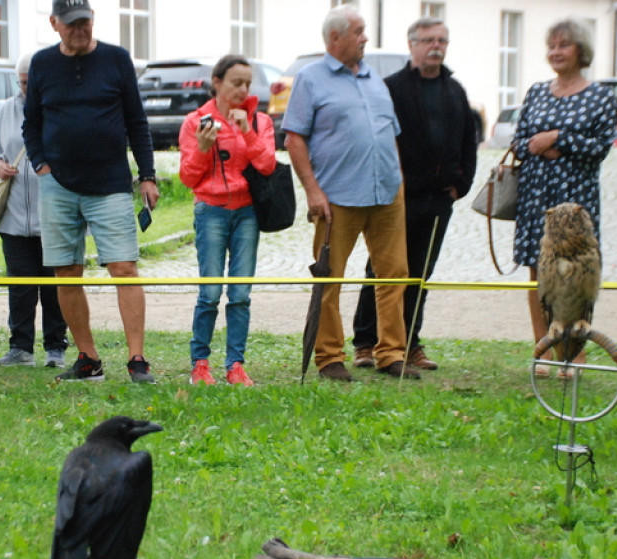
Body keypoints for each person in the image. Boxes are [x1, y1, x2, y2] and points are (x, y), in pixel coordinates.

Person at [23, 0, 160, 383]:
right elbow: (31, 123)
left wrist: (146, 175)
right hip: (58, 185)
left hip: (111, 183)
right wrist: (41, 165)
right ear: (54, 24)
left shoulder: (116, 59)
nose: (79, 30)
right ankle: (88, 359)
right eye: (71, 24)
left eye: (84, 22)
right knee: (66, 272)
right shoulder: (42, 64)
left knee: (124, 268)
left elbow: (137, 120)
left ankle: (137, 360)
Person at [282, 5, 416, 382]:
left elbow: (391, 136)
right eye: (358, 31)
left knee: (394, 277)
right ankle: (330, 358)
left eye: (364, 31)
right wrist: (312, 191)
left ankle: (391, 353)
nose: (365, 38)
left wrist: (398, 179)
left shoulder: (376, 79)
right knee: (329, 280)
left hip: (387, 194)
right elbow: (294, 140)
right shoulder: (310, 78)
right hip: (336, 198)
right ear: (335, 37)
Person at [350, 17, 477, 373]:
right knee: (381, 270)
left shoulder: (455, 90)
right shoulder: (390, 87)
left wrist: (460, 183)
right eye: (428, 40)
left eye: (441, 40)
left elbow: (470, 139)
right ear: (412, 44)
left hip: (439, 199)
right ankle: (365, 342)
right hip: (396, 196)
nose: (435, 46)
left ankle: (409, 343)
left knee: (419, 273)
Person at [513, 19, 616, 376]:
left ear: (580, 51)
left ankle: (573, 355)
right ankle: (542, 349)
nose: (555, 52)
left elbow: (601, 147)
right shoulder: (537, 91)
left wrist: (558, 138)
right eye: (552, 45)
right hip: (536, 197)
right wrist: (537, 145)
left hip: (576, 199)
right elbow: (519, 142)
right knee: (537, 274)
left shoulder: (600, 95)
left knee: (578, 277)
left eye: (564, 45)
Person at [178, 55, 276, 387]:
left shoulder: (260, 121)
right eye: (236, 82)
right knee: (209, 292)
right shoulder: (196, 121)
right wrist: (203, 149)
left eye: (248, 83)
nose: (243, 89)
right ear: (217, 82)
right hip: (211, 211)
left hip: (247, 212)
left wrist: (247, 132)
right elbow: (189, 178)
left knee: (241, 293)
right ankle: (200, 364)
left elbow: (267, 166)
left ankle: (235, 365)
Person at [0, 54, 68, 370]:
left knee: (54, 286)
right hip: (14, 215)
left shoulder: (59, 109)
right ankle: (20, 347)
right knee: (20, 286)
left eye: (30, 82)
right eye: (21, 83)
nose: (26, 88)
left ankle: (55, 348)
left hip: (54, 214)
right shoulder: (6, 110)